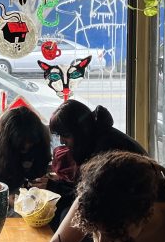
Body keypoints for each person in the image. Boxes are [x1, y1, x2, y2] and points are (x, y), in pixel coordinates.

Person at [44, 99, 147, 231]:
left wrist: (54, 187)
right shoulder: (95, 137)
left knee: (67, 216)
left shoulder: (105, 149)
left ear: (80, 131)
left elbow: (92, 195)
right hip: (125, 198)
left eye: (65, 135)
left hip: (136, 204)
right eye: (59, 135)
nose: (62, 141)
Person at [0, 105, 51, 207]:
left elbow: (39, 172)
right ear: (6, 141)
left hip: (29, 200)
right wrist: (5, 198)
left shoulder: (41, 144)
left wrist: (43, 183)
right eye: (21, 145)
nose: (26, 148)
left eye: (31, 143)